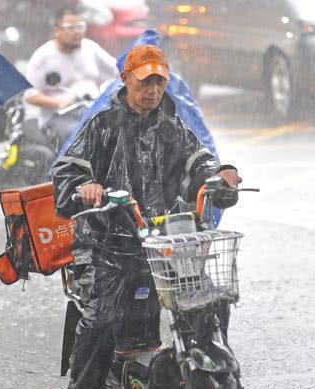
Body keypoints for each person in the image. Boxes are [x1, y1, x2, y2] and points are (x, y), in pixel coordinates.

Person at [52, 44, 242, 389]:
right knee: (101, 322)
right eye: (144, 83)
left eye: (159, 82)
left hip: (161, 245)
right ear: (125, 80)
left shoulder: (171, 125)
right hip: (105, 247)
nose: (153, 91)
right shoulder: (102, 126)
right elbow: (67, 174)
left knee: (207, 304)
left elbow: (199, 161)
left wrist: (221, 173)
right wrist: (87, 188)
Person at [24, 6, 118, 128]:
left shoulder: (90, 48)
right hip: (59, 118)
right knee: (80, 135)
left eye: (80, 26)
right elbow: (30, 95)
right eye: (71, 27)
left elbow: (117, 68)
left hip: (93, 111)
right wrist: (58, 103)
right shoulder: (43, 56)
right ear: (57, 31)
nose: (77, 32)